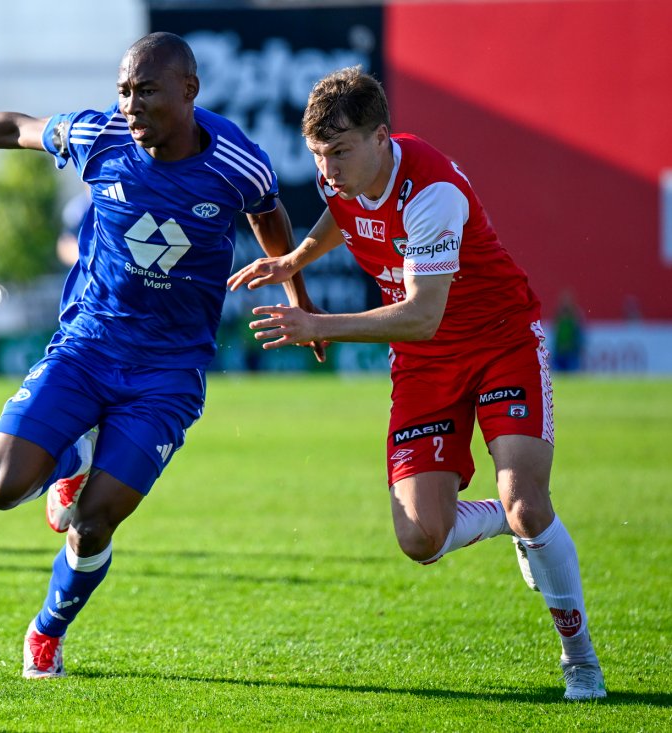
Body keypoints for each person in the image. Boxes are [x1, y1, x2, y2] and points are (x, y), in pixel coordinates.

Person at [0, 32, 322, 679]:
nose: (130, 103)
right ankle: (72, 452)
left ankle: (47, 629)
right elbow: (11, 125)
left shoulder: (238, 161)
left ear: (189, 91)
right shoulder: (100, 139)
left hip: (167, 375)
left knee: (93, 522)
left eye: (146, 90)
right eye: (123, 90)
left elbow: (269, 216)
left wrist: (300, 295)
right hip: (87, 348)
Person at [228, 67, 605, 701]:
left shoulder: (431, 193)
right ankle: (505, 524)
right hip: (427, 366)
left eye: (339, 152)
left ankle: (580, 660)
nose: (328, 170)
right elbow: (341, 212)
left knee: (529, 501)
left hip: (499, 341)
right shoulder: (346, 174)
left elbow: (424, 315)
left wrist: (317, 322)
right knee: (420, 539)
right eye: (318, 155)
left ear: (382, 137)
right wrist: (295, 260)